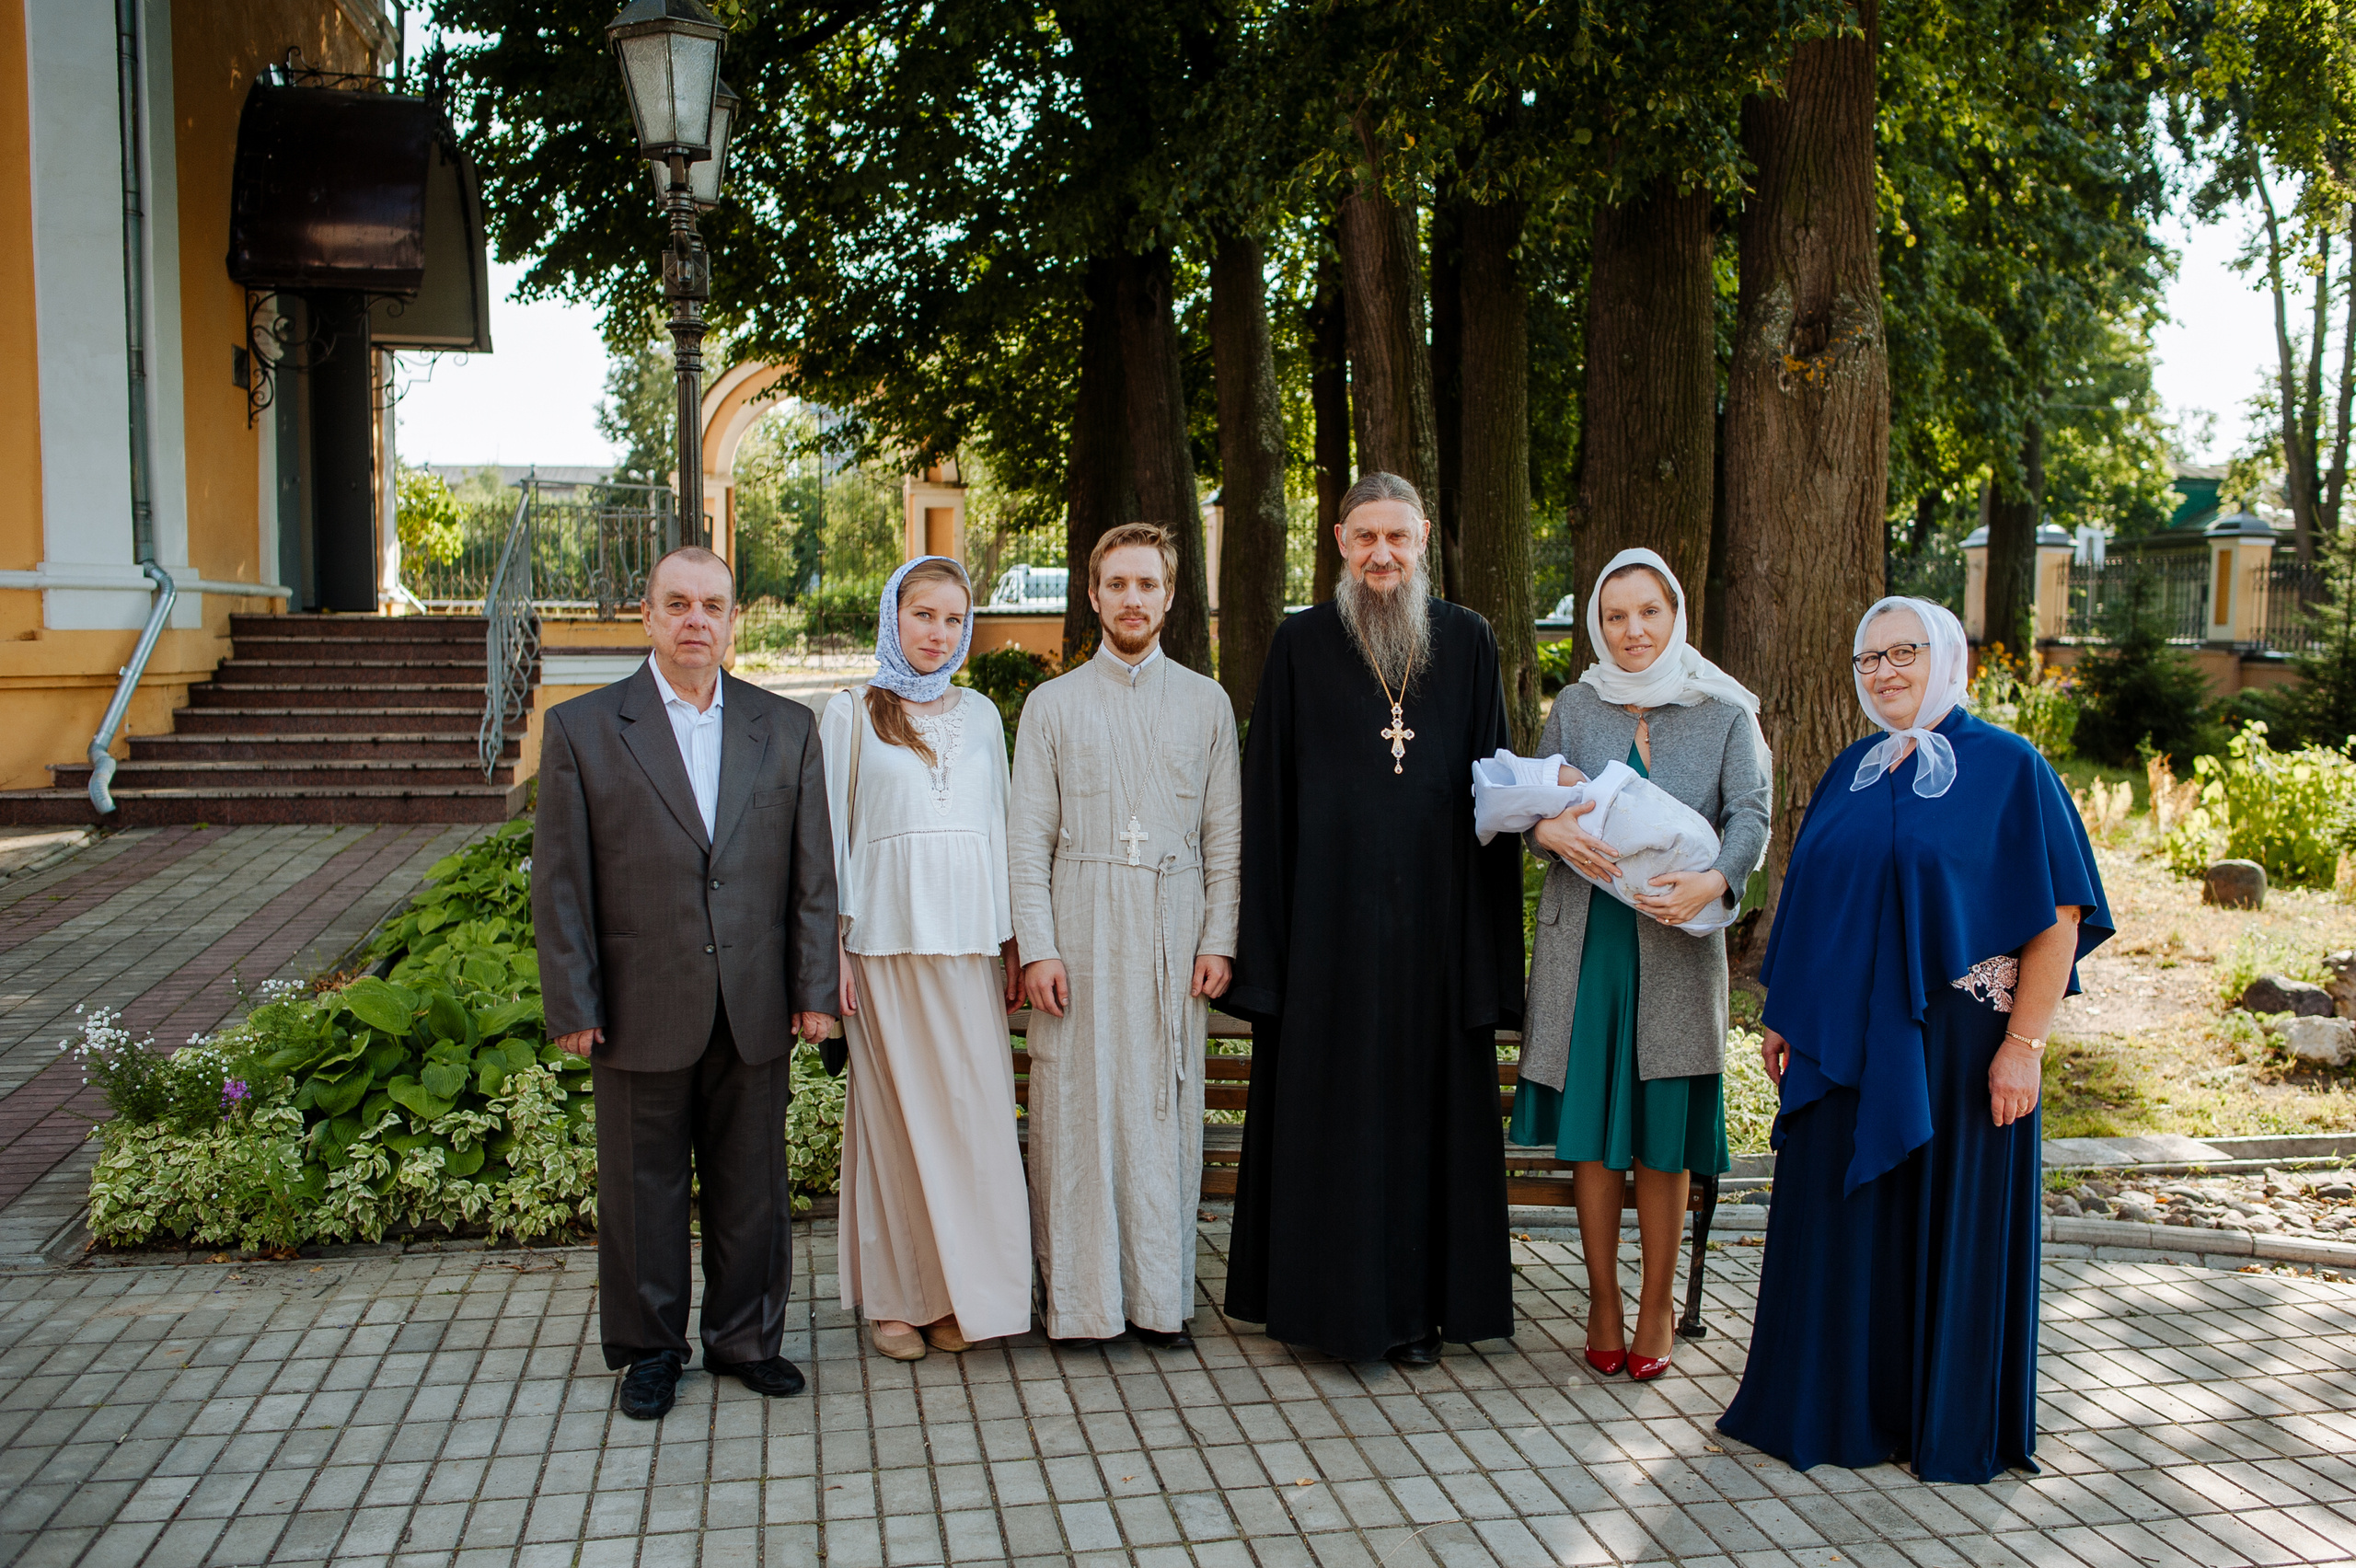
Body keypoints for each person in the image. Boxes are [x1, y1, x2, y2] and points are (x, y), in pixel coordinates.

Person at [1716, 596, 2111, 1482]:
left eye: (1904, 653)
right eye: (1868, 660)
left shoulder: (2013, 768)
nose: (1886, 671)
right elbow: (1812, 895)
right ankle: (1840, 1412)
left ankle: (1939, 1418)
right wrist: (1787, 1012)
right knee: (1845, 1223)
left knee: (1944, 1226)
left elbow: (2060, 913)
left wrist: (2026, 1045)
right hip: (1845, 1045)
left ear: (1945, 657)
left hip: (1961, 1050)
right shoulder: (1853, 767)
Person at [1223, 471, 1527, 1366]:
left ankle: (1416, 1315)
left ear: (1423, 538)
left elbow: (1494, 801)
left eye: (1397, 537)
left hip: (1433, 945)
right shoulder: (1299, 644)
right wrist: (1267, 960)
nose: (1382, 555)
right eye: (1365, 538)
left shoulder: (1468, 643)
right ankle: (1319, 1310)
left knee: (1425, 1127)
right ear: (1339, 542)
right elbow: (1265, 800)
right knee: (1329, 1127)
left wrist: (1483, 962)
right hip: (1325, 943)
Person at [533, 546, 838, 1422]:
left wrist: (814, 990)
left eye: (712, 605)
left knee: (753, 1188)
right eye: (678, 604)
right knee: (642, 1191)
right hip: (639, 1004)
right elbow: (559, 882)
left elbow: (812, 876)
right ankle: (650, 1350)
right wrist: (574, 1002)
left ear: (733, 619)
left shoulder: (784, 727)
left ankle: (747, 1340)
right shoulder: (585, 728)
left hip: (752, 1005)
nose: (696, 620)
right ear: (648, 616)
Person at [1516, 548, 1769, 1382]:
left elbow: (1751, 815)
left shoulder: (1725, 709)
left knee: (1661, 1135)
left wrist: (1717, 878)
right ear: (1598, 622)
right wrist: (1543, 830)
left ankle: (1657, 1301)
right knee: (1592, 1134)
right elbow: (1536, 799)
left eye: (1648, 613)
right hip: (1587, 945)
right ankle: (1602, 1298)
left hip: (1673, 942)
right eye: (1616, 615)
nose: (1632, 630)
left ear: (1675, 616)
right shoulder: (1579, 706)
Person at [1008, 523, 1243, 1349]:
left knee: (1159, 1109)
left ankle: (1157, 1301)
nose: (1132, 599)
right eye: (1118, 585)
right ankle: (1080, 1304)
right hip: (1076, 925)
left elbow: (1226, 837)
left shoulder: (1207, 703)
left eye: (1148, 585)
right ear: (1094, 594)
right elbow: (1026, 840)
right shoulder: (1051, 705)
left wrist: (1218, 937)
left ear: (1171, 596)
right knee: (1076, 1109)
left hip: (1172, 933)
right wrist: (1037, 946)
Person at [821, 555, 1032, 1362]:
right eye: (923, 616)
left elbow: (1004, 826)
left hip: (970, 948)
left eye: (952, 619)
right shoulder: (851, 713)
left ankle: (961, 1296)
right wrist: (831, 951)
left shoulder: (982, 716)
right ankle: (899, 1300)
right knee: (896, 1129)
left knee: (973, 1125)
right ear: (893, 616)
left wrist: (1016, 941)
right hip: (883, 948)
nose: (937, 634)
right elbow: (828, 842)